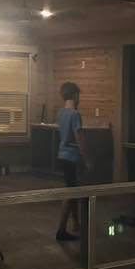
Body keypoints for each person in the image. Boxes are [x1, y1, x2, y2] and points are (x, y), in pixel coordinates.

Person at [55, 81, 83, 241]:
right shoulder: (74, 114)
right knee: (71, 192)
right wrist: (87, 158)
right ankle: (61, 230)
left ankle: (76, 223)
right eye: (78, 96)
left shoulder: (61, 113)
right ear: (74, 95)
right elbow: (79, 138)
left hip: (62, 155)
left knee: (73, 189)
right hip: (72, 157)